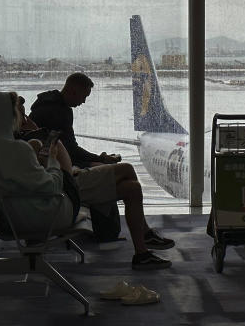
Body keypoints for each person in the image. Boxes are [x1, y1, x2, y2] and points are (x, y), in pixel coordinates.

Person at [18, 94, 175, 269]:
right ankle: (145, 234)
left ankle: (142, 253)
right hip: (66, 187)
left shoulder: (23, 138)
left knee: (132, 188)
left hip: (68, 180)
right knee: (127, 169)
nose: (27, 119)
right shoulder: (26, 142)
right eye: (22, 116)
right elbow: (50, 168)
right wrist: (40, 136)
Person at [0, 92, 81, 235]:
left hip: (20, 214)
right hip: (48, 216)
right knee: (58, 148)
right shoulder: (16, 149)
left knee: (36, 144)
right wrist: (53, 160)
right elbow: (53, 187)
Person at [29, 72, 120, 168]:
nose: (84, 101)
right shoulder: (58, 112)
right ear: (73, 91)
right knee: (117, 170)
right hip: (56, 166)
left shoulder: (48, 105)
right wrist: (100, 159)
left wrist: (98, 159)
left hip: (48, 162)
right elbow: (71, 150)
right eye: (84, 96)